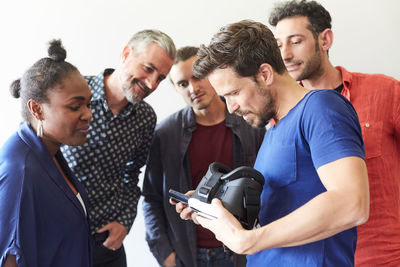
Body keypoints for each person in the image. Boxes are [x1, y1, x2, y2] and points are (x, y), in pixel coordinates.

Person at [175, 20, 370, 266]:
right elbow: (282, 213)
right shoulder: (273, 129)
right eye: (224, 97)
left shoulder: (321, 108)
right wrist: (219, 213)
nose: (231, 107)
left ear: (265, 74)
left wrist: (248, 240)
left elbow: (352, 203)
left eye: (234, 93)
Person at [268, 1, 400, 265]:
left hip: (383, 256)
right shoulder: (278, 118)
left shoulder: (385, 91)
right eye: (279, 45)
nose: (285, 55)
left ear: (325, 39)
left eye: (295, 41)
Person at [60, 30, 176, 267]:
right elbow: (35, 154)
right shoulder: (72, 94)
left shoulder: (145, 118)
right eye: (148, 68)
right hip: (57, 235)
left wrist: (124, 221)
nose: (152, 83)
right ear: (126, 53)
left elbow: (132, 175)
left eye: (161, 78)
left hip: (105, 243)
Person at [142, 46, 265, 267]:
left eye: (198, 76)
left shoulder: (250, 123)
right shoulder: (166, 134)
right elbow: (151, 198)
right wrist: (165, 255)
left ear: (212, 73)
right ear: (174, 87)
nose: (193, 88)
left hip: (242, 250)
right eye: (183, 83)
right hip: (188, 256)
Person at [0, 40, 92, 267]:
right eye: (75, 106)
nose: (88, 114)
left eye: (88, 104)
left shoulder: (50, 152)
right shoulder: (20, 172)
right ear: (37, 109)